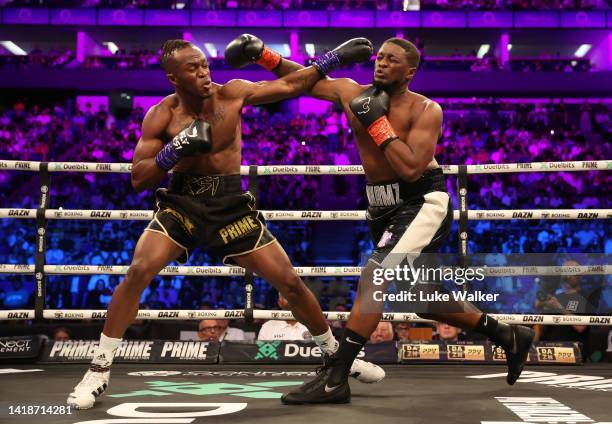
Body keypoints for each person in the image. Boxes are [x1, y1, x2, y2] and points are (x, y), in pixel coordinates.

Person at [67, 37, 382, 409]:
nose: (203, 72)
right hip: (182, 205)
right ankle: (99, 370)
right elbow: (139, 178)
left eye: (204, 64)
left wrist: (334, 57)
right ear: (173, 78)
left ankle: (336, 357)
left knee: (291, 283)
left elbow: (293, 84)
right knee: (139, 269)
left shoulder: (232, 93)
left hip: (231, 207)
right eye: (193, 68)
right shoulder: (161, 115)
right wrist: (174, 151)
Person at [245, 35, 535, 404]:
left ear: (410, 71)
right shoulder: (353, 92)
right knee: (421, 297)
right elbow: (302, 78)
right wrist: (263, 54)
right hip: (380, 207)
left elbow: (413, 169)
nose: (381, 63)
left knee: (376, 274)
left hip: (421, 202)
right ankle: (507, 335)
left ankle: (336, 377)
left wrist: (377, 123)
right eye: (379, 57)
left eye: (391, 60)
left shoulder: (426, 109)